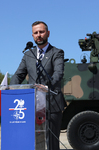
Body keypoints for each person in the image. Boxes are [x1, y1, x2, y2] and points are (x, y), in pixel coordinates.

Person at [10, 21, 66, 150]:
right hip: (31, 105)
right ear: (32, 35)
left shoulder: (57, 53)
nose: (39, 35)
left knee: (51, 142)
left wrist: (48, 86)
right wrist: (12, 90)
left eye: (41, 32)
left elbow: (58, 73)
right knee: (34, 141)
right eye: (36, 33)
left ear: (48, 33)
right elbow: (18, 75)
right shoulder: (28, 54)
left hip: (52, 104)